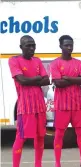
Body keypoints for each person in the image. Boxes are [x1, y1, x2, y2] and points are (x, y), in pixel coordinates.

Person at [50, 35, 81, 167]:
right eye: (66, 45)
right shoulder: (55, 63)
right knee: (59, 135)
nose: (69, 47)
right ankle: (57, 163)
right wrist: (75, 79)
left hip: (77, 105)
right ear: (60, 46)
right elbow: (58, 83)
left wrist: (67, 78)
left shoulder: (78, 63)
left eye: (71, 45)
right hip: (62, 105)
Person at [9, 35, 50, 167]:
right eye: (28, 45)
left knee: (40, 137)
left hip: (40, 106)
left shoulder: (37, 60)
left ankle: (38, 165)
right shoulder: (14, 61)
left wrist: (31, 79)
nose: (32, 48)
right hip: (25, 107)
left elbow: (46, 80)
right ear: (21, 47)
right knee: (21, 137)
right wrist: (37, 78)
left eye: (33, 45)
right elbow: (21, 80)